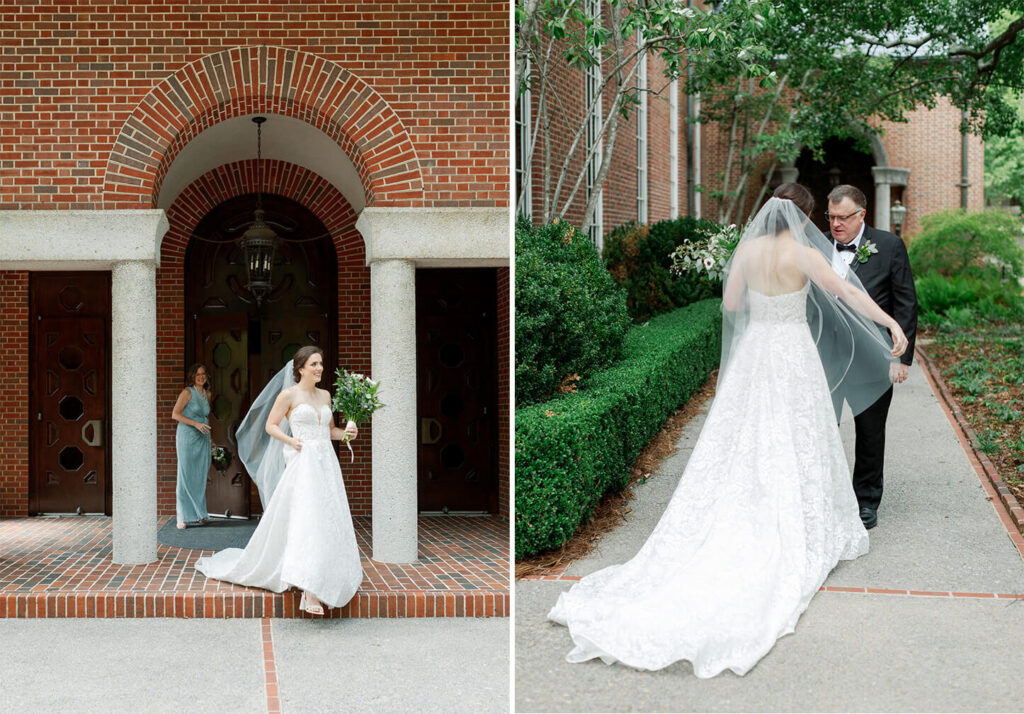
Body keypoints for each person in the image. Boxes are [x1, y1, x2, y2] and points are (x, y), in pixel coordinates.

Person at [548, 185, 908, 677]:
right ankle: (794, 514)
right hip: (792, 356)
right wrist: (891, 323)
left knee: (741, 436)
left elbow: (731, 303)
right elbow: (846, 293)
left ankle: (740, 507)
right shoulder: (804, 254)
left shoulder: (748, 251)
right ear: (802, 216)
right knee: (797, 434)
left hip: (755, 354)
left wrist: (760, 311)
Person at [195, 346, 363, 616]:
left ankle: (327, 575)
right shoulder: (289, 395)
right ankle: (309, 592)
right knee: (307, 521)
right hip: (302, 463)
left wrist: (347, 434)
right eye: (314, 364)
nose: (319, 368)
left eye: (321, 363)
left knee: (327, 519)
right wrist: (291, 441)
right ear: (300, 368)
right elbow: (270, 425)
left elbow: (329, 431)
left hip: (326, 465)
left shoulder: (325, 395)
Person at [825, 184, 918, 530]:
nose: (836, 224)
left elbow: (906, 302)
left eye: (843, 217)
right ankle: (827, 496)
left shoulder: (890, 246)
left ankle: (866, 502)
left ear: (861, 215)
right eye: (831, 216)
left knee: (870, 432)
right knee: (823, 429)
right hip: (825, 358)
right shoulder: (816, 246)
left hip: (872, 359)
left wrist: (902, 358)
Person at [172, 363, 212, 530]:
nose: (201, 377)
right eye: (198, 374)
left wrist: (212, 438)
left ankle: (200, 513)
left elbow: (206, 418)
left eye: (203, 374)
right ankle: (181, 516)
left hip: (203, 437)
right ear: (192, 377)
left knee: (200, 475)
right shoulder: (187, 392)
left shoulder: (207, 393)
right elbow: (175, 414)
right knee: (185, 475)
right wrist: (195, 424)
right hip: (187, 437)